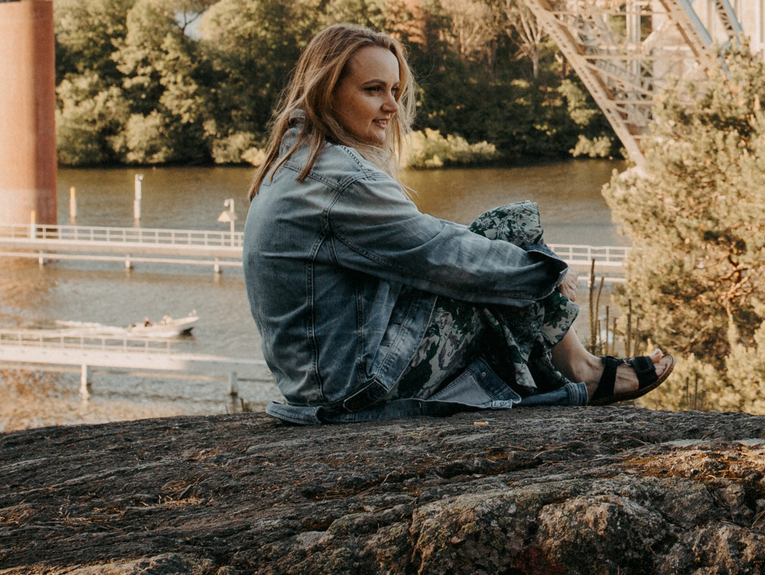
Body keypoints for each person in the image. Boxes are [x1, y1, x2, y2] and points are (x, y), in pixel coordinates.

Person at [242, 22, 671, 423]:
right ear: (326, 92)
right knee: (511, 229)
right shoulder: (339, 179)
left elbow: (427, 236)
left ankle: (578, 369)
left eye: (394, 89)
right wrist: (543, 273)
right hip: (355, 389)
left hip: (319, 384)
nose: (391, 105)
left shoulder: (297, 161)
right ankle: (585, 371)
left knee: (500, 253)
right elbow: (441, 254)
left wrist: (531, 269)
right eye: (374, 90)